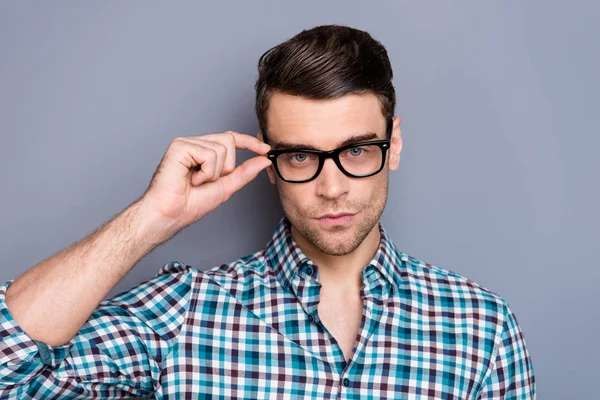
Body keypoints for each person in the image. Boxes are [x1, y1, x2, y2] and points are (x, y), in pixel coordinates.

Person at [0, 24, 535, 399]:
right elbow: (8, 373)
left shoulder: (481, 328)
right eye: (300, 155)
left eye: (356, 151)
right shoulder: (185, 313)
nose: (331, 187)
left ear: (393, 146)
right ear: (269, 159)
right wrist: (149, 220)